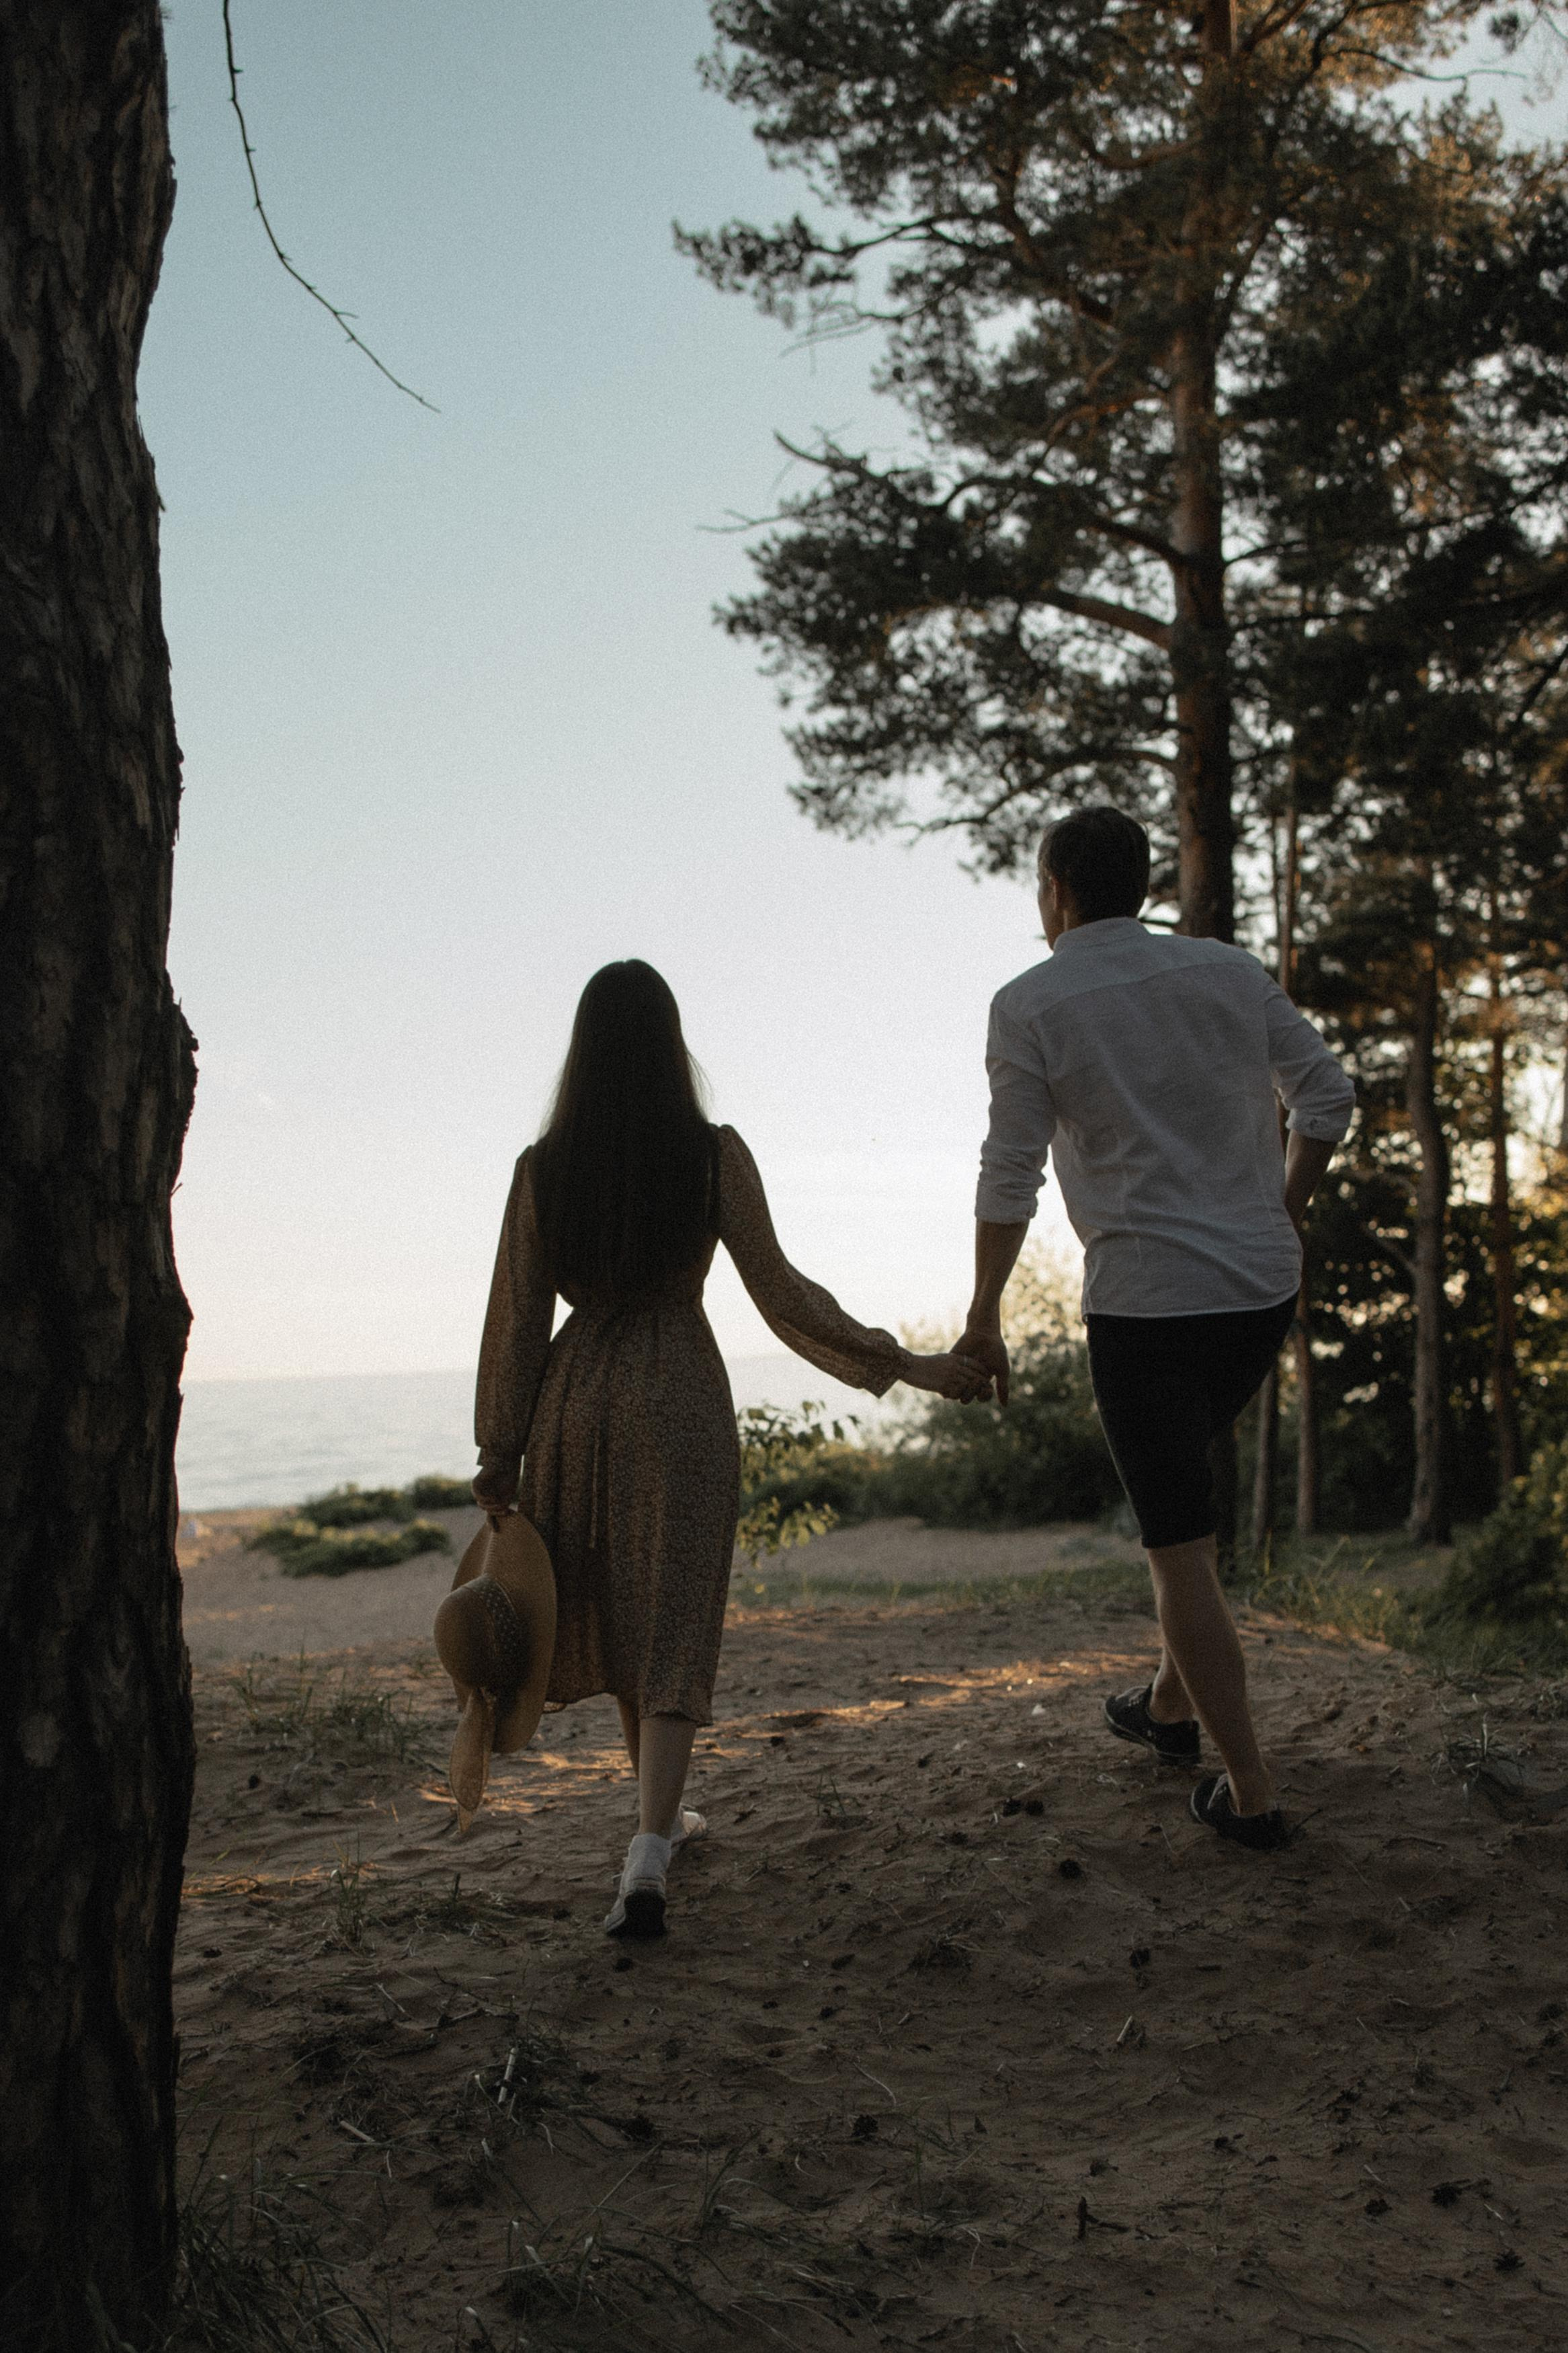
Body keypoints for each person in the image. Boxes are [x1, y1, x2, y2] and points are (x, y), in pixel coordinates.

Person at [472, 959, 991, 1935]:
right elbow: (781, 1292)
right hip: (677, 1392)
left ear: (581, 1053)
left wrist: (499, 1450)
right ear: (672, 1047)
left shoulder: (541, 1170)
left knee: (626, 1617)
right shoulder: (711, 1154)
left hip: (576, 1401)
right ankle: (648, 1850)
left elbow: (516, 1321)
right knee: (671, 1619)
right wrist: (903, 1362)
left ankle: (654, 1828)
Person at [953, 808, 1355, 1850]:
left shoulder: (1029, 1003)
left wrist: (983, 1312)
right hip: (1259, 1294)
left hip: (1145, 1307)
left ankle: (1250, 1789)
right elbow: (1327, 1095)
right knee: (1187, 1510)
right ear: (1141, 884)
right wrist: (1282, 1207)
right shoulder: (1226, 971)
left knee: (1178, 1554)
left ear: (1054, 889)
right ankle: (1170, 1709)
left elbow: (1011, 1173)